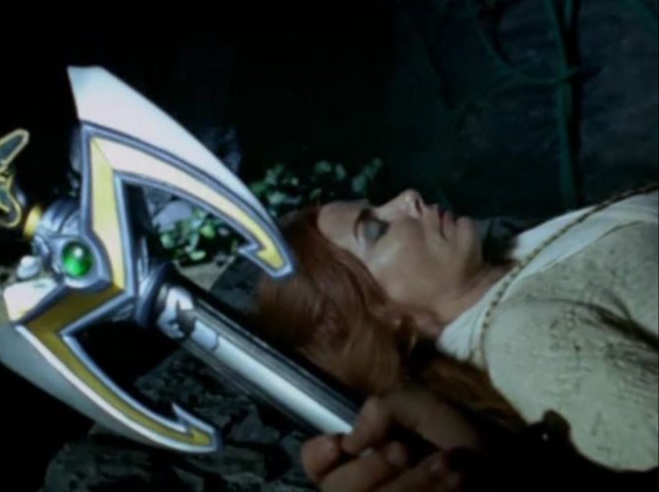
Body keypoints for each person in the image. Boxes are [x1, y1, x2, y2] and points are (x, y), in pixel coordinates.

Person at [253, 184, 658, 490]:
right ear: (384, 319)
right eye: (375, 230)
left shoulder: (511, 258)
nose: (408, 197)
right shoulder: (525, 343)